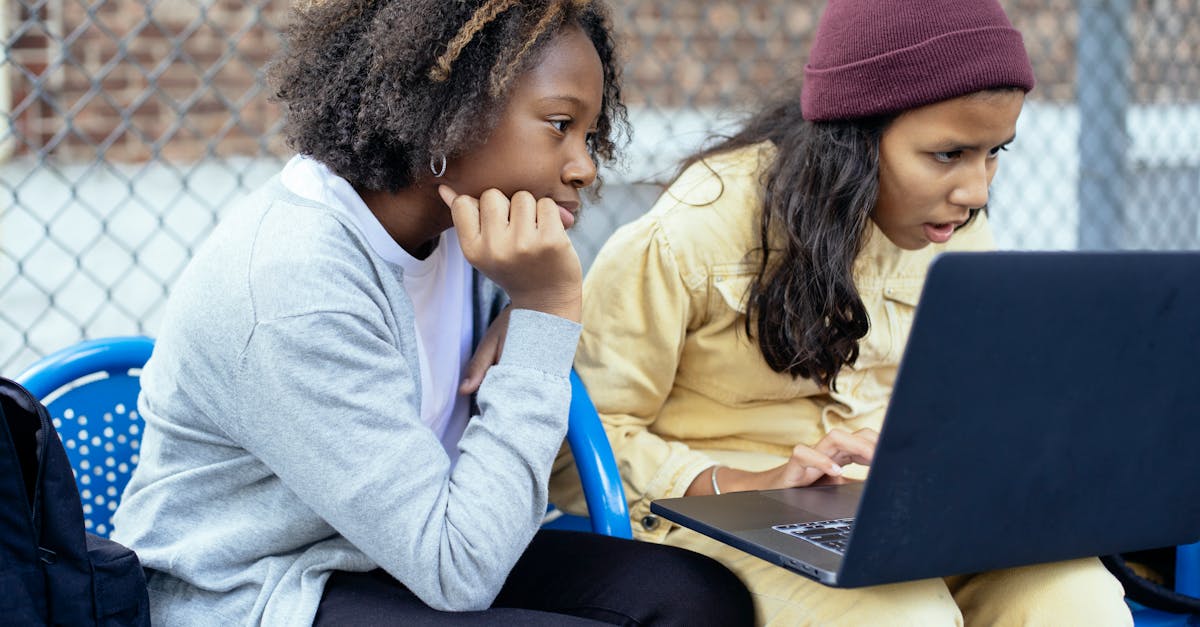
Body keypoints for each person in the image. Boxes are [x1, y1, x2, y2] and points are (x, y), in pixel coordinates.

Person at [110, 1, 755, 625]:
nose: (585, 166)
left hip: (408, 554)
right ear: (451, 111)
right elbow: (460, 572)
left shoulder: (467, 234)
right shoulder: (294, 283)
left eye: (590, 134)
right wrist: (544, 312)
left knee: (700, 599)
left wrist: (524, 308)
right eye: (561, 125)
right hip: (264, 588)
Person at [550, 0, 1133, 624]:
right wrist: (739, 482)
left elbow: (972, 408)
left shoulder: (957, 229)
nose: (976, 192)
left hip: (899, 516)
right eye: (948, 154)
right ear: (852, 138)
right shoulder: (695, 230)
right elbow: (578, 452)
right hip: (729, 518)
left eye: (995, 153)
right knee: (908, 619)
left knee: (1079, 600)